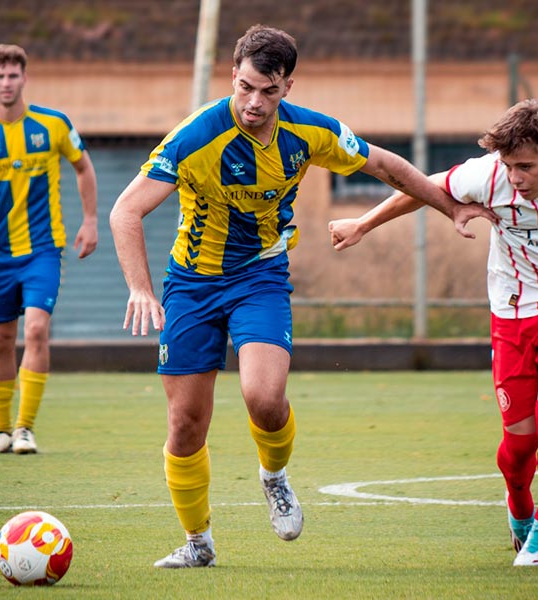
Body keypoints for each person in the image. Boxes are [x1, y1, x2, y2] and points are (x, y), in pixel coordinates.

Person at [109, 24, 486, 569]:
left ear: (287, 86)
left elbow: (386, 166)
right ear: (232, 76)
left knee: (264, 398)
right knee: (186, 425)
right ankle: (197, 543)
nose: (253, 103)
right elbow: (126, 211)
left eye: (267, 90)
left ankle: (275, 475)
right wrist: (141, 289)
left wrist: (449, 207)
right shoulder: (195, 136)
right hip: (190, 284)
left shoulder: (312, 133)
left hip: (259, 276)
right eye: (244, 87)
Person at [329, 99, 538, 566]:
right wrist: (363, 223)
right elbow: (421, 185)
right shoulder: (489, 174)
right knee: (517, 450)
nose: (514, 178)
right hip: (512, 310)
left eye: (526, 167)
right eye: (509, 166)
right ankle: (520, 507)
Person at [0, 44, 98, 455]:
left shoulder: (53, 125)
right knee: (0, 340)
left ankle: (24, 428)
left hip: (44, 250)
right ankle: (0, 431)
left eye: (13, 75)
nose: (6, 82)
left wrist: (90, 221)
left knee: (35, 328)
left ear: (24, 78)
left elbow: (83, 167)